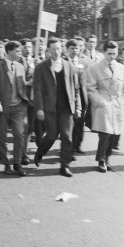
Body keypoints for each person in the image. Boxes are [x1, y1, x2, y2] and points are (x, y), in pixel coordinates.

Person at [33, 37, 82, 177]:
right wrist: (39, 108)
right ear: (48, 50)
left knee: (67, 137)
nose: (56, 51)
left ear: (62, 49)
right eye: (53, 49)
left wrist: (77, 106)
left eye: (59, 48)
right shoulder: (41, 68)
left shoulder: (70, 66)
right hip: (50, 108)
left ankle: (64, 166)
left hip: (67, 108)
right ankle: (40, 152)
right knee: (51, 135)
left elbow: (76, 89)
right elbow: (37, 89)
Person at [87, 40, 124, 173]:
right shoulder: (95, 68)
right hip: (103, 104)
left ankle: (107, 158)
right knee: (105, 134)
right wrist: (100, 101)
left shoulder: (122, 69)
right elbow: (91, 88)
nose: (112, 56)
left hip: (117, 104)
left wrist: (123, 102)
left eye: (114, 54)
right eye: (109, 53)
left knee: (115, 135)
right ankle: (101, 160)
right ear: (104, 53)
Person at [0, 40, 29, 176]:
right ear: (9, 51)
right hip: (2, 108)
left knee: (19, 134)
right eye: (17, 51)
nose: (19, 53)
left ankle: (17, 163)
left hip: (18, 107)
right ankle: (7, 164)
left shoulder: (21, 66)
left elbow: (22, 85)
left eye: (20, 51)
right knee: (2, 137)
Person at [64, 39, 90, 156]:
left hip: (82, 97)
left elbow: (87, 80)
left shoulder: (84, 63)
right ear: (67, 49)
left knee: (80, 124)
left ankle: (77, 146)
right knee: (70, 124)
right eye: (72, 48)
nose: (74, 50)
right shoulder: (63, 62)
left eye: (77, 48)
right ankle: (69, 149)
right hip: (68, 97)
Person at [19, 38, 36, 165]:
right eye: (25, 47)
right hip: (20, 99)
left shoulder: (35, 62)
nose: (28, 49)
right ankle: (21, 153)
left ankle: (24, 152)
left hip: (32, 99)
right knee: (22, 127)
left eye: (30, 47)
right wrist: (27, 82)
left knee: (29, 128)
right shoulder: (17, 62)